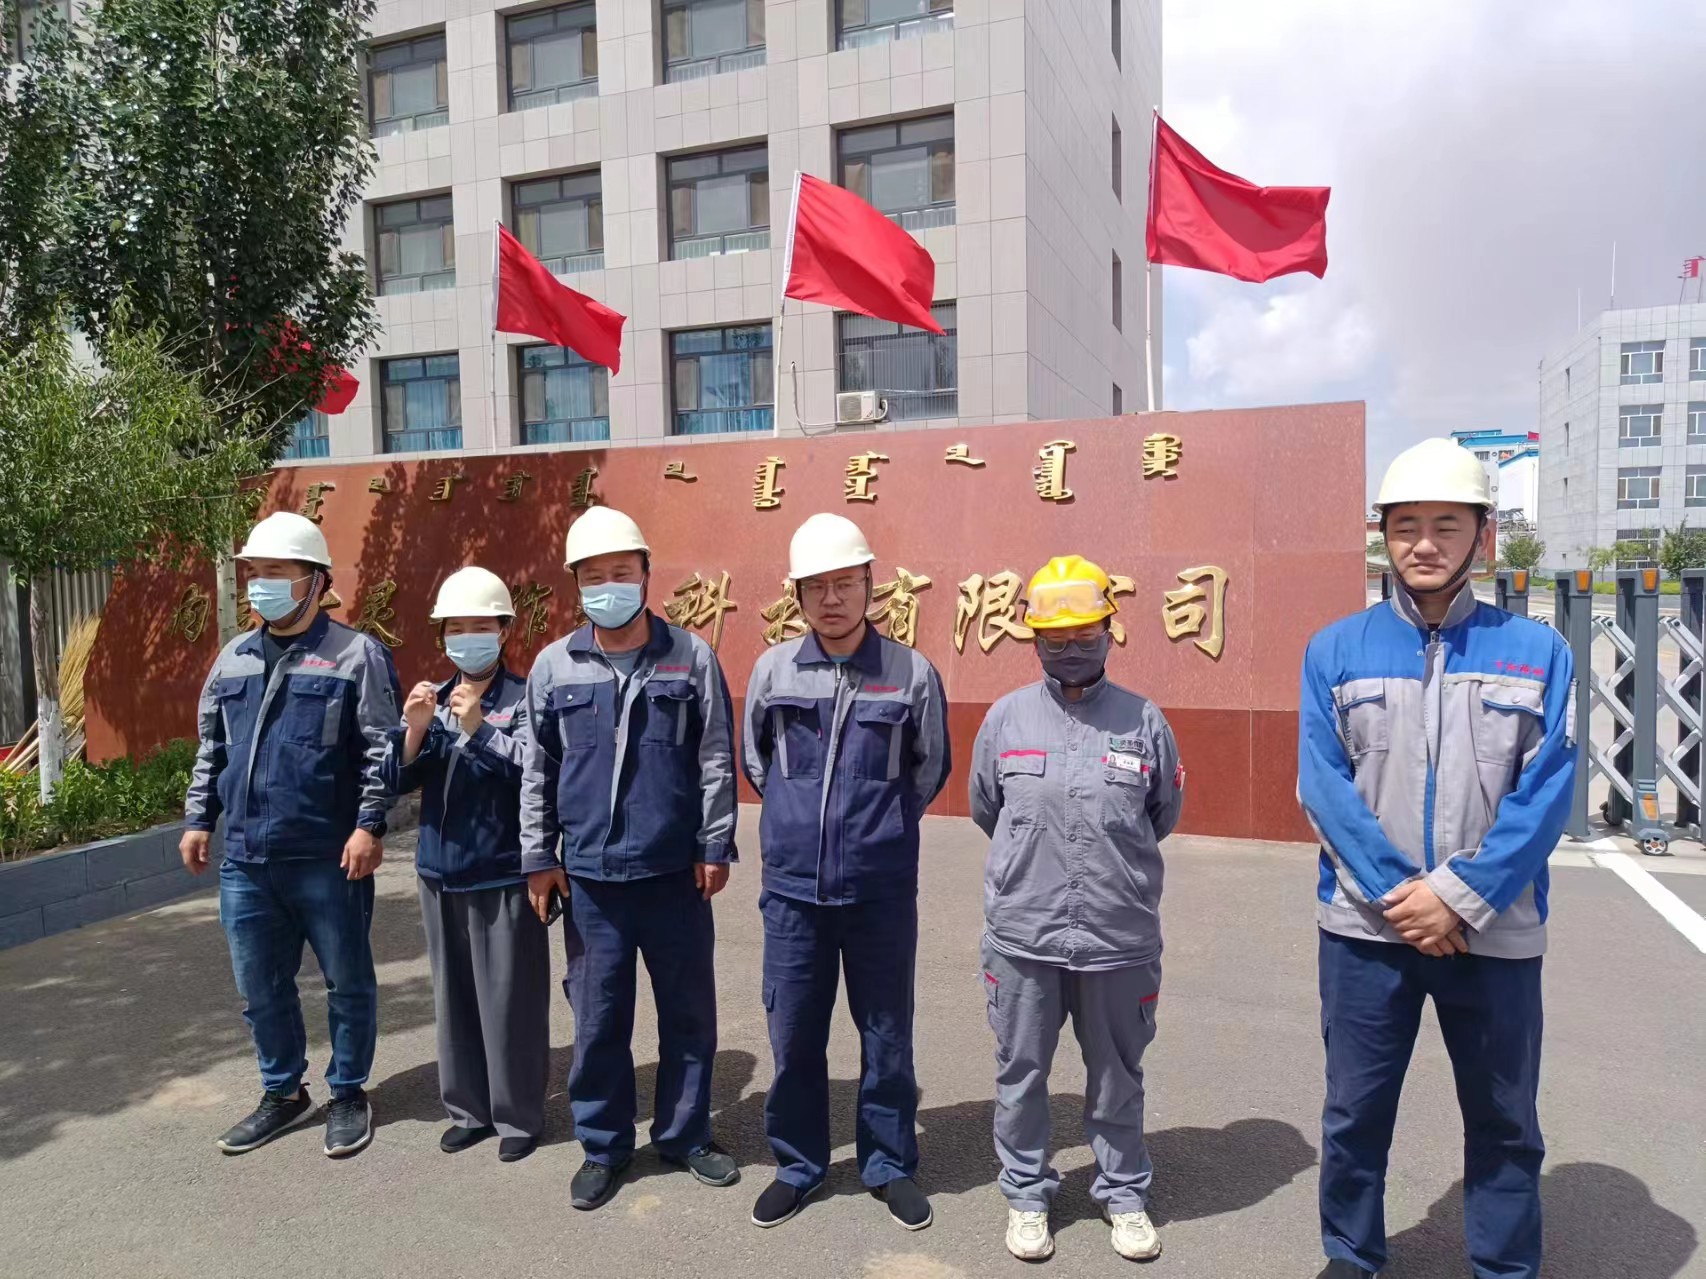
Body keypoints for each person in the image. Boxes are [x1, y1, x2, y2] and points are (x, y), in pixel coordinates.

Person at [1299, 438, 1577, 1279]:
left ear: (1482, 536)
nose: (1424, 543)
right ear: (1382, 534)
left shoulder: (1540, 652)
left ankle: (1504, 1266)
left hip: (1494, 932)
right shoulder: (1334, 649)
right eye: (1405, 525)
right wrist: (1404, 897)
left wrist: (1458, 895)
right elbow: (1324, 786)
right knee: (1355, 1113)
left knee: (1504, 1120)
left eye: (1445, 525)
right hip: (1366, 929)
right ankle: (1351, 1256)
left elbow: (1547, 793)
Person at [520, 506, 740, 1210]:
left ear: (646, 574)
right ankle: (603, 1145)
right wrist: (538, 854)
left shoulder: (690, 657)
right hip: (591, 881)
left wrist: (714, 844)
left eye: (621, 571)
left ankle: (686, 1135)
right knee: (598, 1020)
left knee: (688, 1015)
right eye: (594, 576)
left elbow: (715, 756)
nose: (608, 585)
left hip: (675, 875)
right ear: (576, 584)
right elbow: (537, 768)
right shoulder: (555, 666)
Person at [968, 555, 1184, 1263]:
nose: (1069, 647)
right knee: (1021, 1074)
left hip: (1117, 938)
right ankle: (1027, 1193)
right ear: (1033, 638)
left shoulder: (1144, 720)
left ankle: (1123, 1193)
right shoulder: (1006, 718)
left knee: (1118, 1076)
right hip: (1023, 936)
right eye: (1053, 636)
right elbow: (986, 807)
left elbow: (1162, 813)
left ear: (1109, 630)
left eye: (1083, 633)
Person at [742, 513, 951, 1232]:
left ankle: (889, 1164)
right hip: (793, 893)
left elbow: (928, 770)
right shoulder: (773, 671)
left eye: (845, 583)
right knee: (795, 1033)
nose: (831, 599)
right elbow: (758, 763)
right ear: (797, 594)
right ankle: (798, 1165)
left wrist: (878, 828)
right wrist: (799, 823)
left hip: (879, 891)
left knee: (887, 1033)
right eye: (816, 587)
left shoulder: (911, 673)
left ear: (870, 584)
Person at [181, 511, 401, 1159]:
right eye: (256, 572)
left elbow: (382, 748)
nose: (262, 584)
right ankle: (282, 1092)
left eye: (276, 571)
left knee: (347, 981)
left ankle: (348, 1092)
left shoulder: (356, 655)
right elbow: (211, 747)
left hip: (328, 856)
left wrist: (369, 825)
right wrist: (199, 819)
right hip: (247, 861)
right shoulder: (234, 659)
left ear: (316, 581)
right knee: (260, 986)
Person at [382, 567, 548, 1163]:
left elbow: (533, 773)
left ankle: (518, 1116)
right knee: (453, 1000)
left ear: (504, 631)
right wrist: (414, 729)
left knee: (509, 1001)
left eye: (481, 626)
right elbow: (400, 780)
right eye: (456, 628)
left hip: (502, 870)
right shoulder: (433, 697)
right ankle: (468, 1110)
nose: (468, 638)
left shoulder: (523, 697)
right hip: (439, 871)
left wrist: (478, 729)